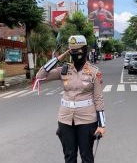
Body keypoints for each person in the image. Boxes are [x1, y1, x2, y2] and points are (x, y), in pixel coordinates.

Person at [35, 35, 106, 163]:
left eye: (77, 51)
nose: (75, 54)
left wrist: (102, 125)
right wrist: (59, 57)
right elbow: (40, 75)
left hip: (87, 120)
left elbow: (99, 99)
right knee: (69, 156)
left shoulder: (94, 72)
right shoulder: (64, 70)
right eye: (72, 51)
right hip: (65, 120)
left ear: (84, 50)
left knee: (87, 156)